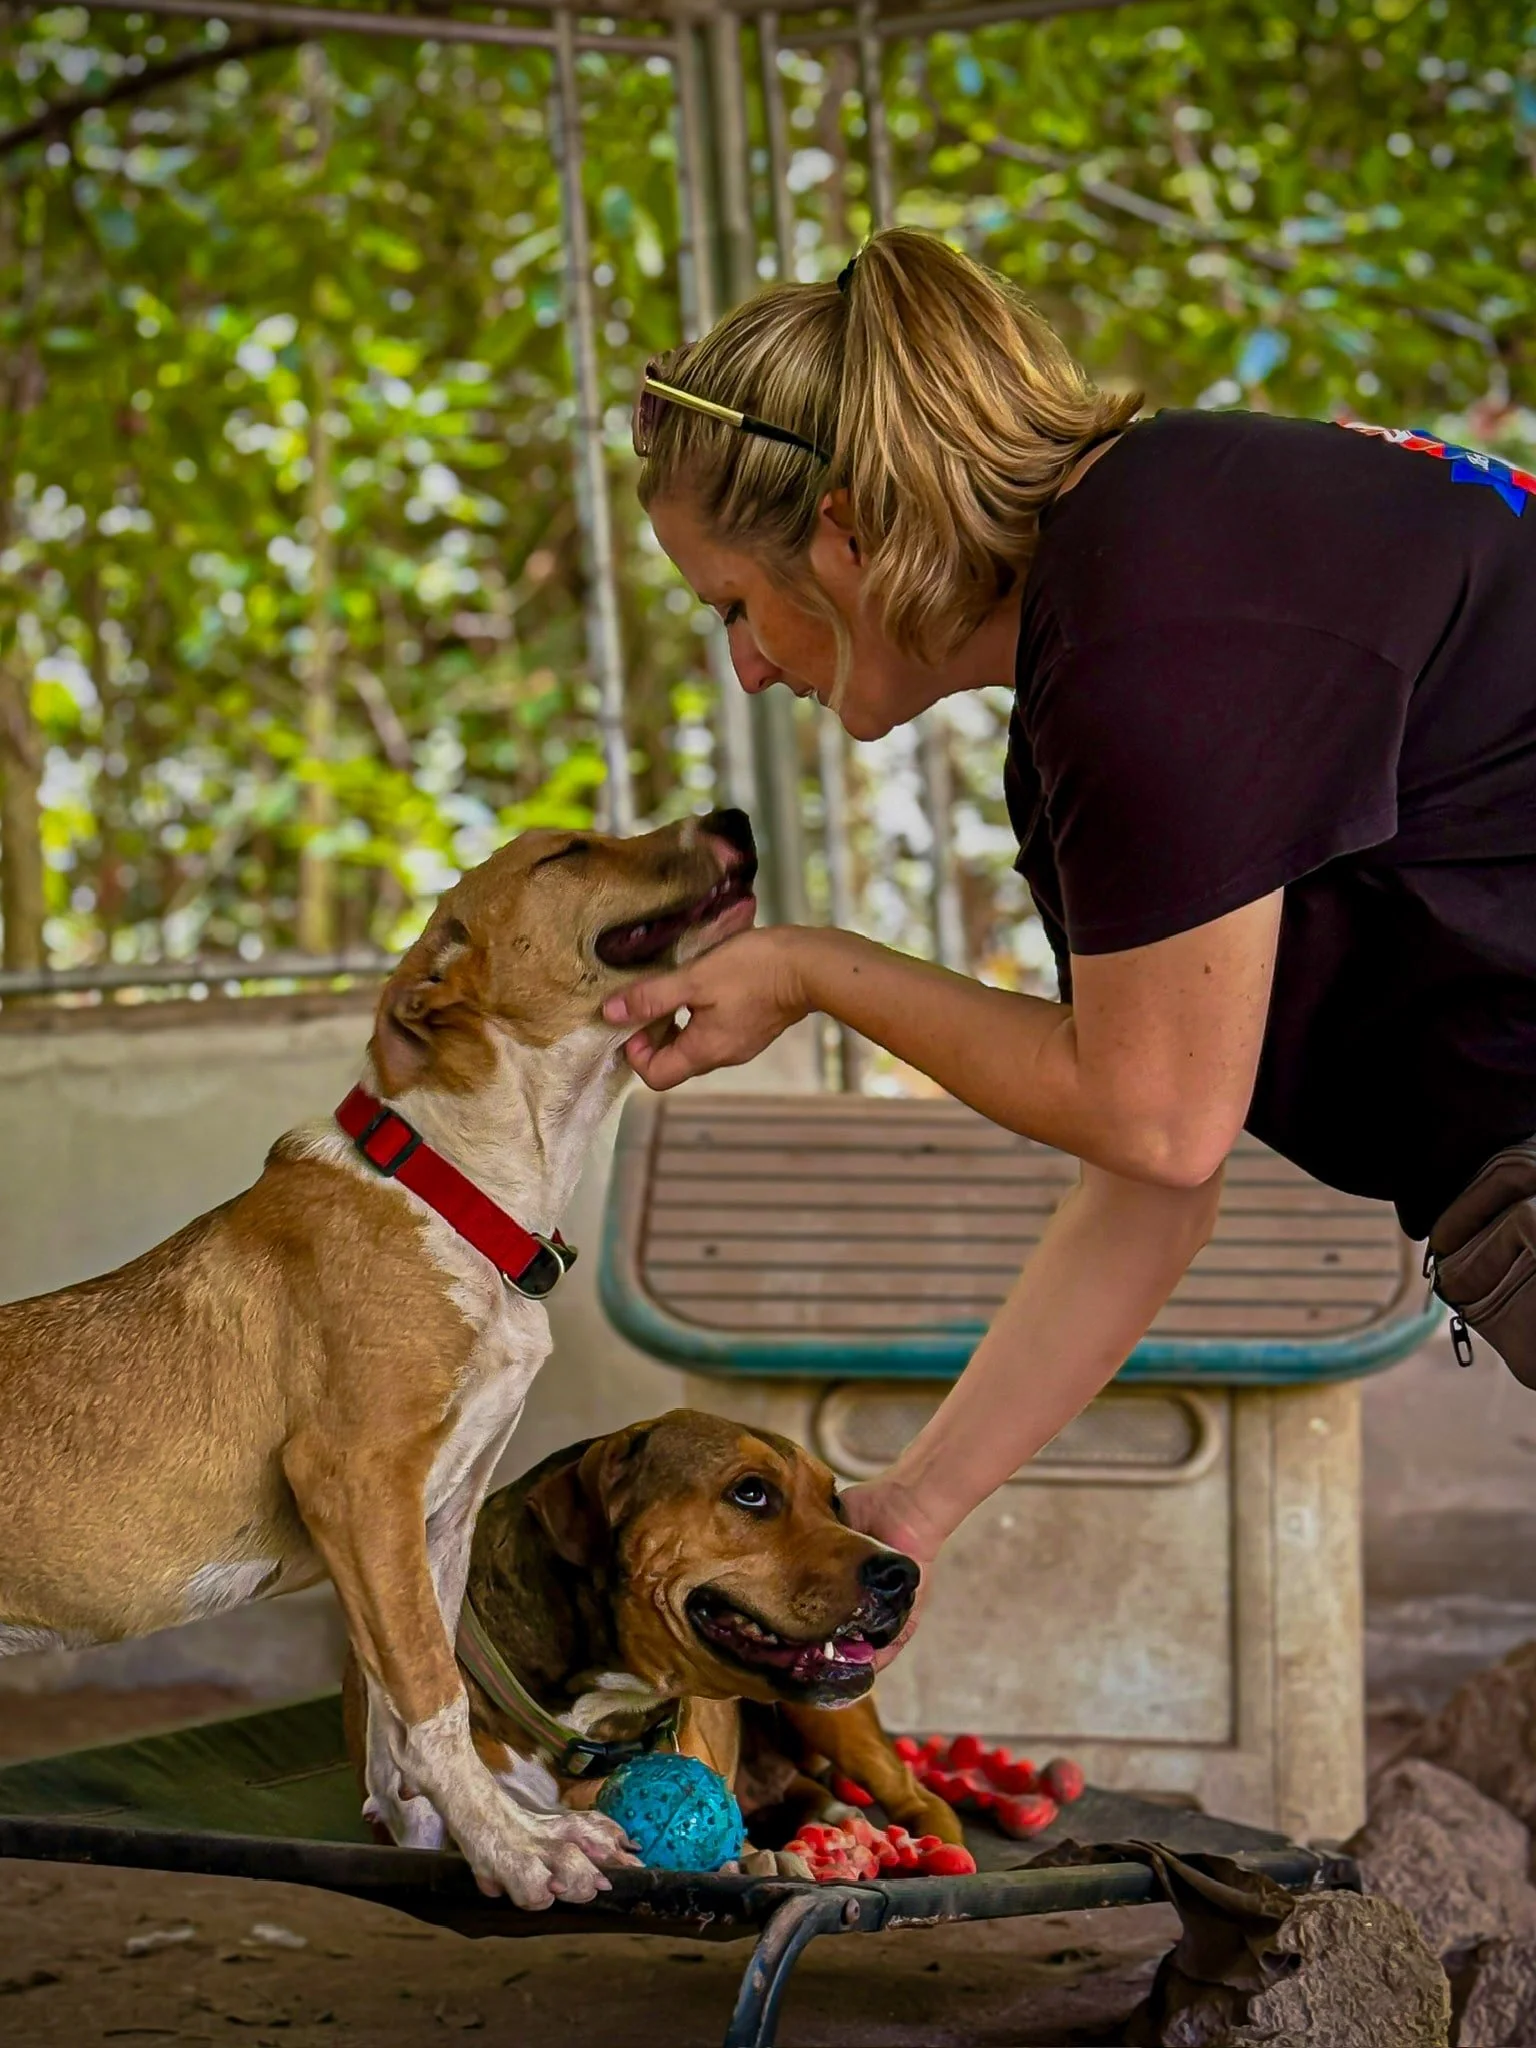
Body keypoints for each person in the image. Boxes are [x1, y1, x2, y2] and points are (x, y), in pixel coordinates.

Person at [605, 226, 1536, 1648]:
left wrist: (811, 968)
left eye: (735, 604)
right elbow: (1149, 1178)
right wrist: (909, 1510)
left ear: (845, 532)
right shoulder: (1156, 569)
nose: (741, 664)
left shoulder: (1147, 632)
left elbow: (1156, 1118)